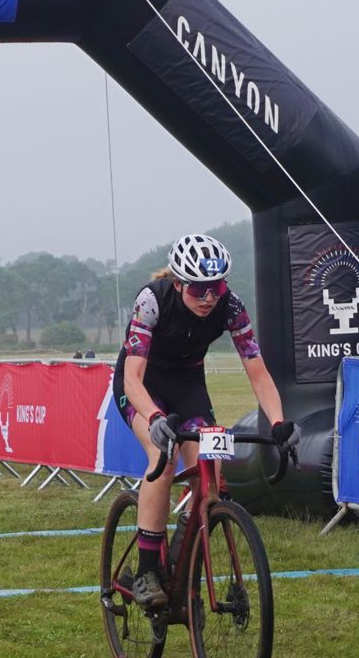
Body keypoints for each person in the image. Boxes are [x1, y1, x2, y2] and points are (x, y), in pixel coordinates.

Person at [111, 233, 299, 609]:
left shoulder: (231, 306)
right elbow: (132, 379)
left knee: (211, 480)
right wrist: (155, 417)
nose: (210, 297)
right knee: (161, 463)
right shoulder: (152, 300)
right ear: (178, 282)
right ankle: (148, 570)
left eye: (217, 287)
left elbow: (258, 372)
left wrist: (278, 423)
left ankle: (181, 559)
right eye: (199, 290)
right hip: (143, 385)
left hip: (187, 385)